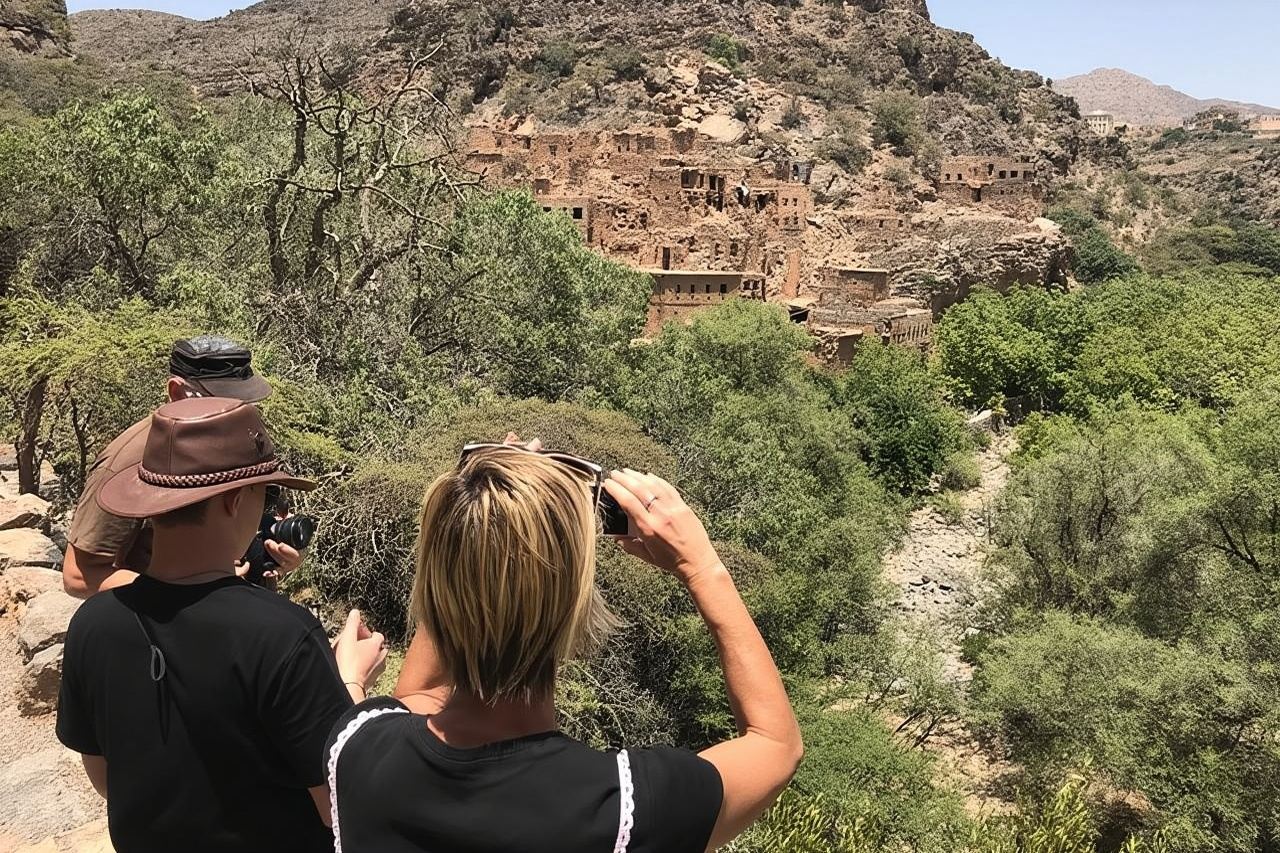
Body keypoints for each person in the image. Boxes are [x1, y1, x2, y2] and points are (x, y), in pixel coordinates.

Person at [326, 443, 803, 852]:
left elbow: (419, 695)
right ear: (570, 603)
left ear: (435, 583)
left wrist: (477, 535)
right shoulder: (623, 813)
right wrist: (701, 568)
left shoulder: (356, 748)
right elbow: (775, 744)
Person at [56, 397, 388, 853]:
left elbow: (106, 781)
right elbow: (340, 802)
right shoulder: (284, 635)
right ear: (234, 500)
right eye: (265, 492)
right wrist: (351, 680)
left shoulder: (93, 622)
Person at [62, 335, 304, 598]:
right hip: (161, 629)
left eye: (246, 402)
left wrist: (275, 550)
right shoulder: (127, 461)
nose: (238, 411)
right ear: (177, 392)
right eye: (226, 401)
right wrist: (197, 585)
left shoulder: (238, 442)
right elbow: (78, 576)